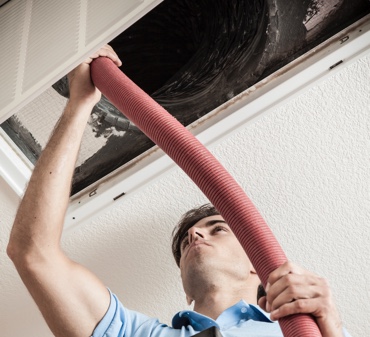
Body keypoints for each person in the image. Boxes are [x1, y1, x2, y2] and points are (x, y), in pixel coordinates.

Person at [7, 45, 349, 337]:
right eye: (187, 240)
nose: (196, 233)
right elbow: (33, 253)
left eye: (219, 228)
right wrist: (80, 104)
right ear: (186, 291)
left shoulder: (301, 326)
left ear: (256, 266)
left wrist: (329, 326)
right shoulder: (135, 332)